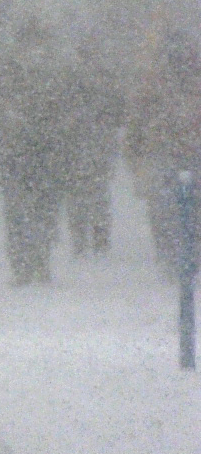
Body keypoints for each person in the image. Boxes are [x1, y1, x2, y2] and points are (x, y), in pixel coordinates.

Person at [0, 20, 73, 285]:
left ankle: (40, 260)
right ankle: (22, 264)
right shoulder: (7, 71)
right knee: (19, 210)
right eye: (29, 42)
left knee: (44, 208)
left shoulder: (56, 73)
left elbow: (67, 108)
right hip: (16, 152)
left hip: (45, 150)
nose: (33, 48)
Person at [125, 28, 201, 273]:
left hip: (172, 154)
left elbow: (136, 127)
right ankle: (178, 256)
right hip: (171, 154)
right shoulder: (152, 88)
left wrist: (136, 158)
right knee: (170, 209)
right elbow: (136, 126)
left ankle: (176, 255)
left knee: (167, 210)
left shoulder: (151, 86)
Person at [60, 32, 124, 258]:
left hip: (95, 144)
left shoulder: (98, 78)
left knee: (91, 192)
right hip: (83, 144)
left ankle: (91, 238)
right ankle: (91, 238)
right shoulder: (74, 79)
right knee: (90, 192)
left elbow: (118, 112)